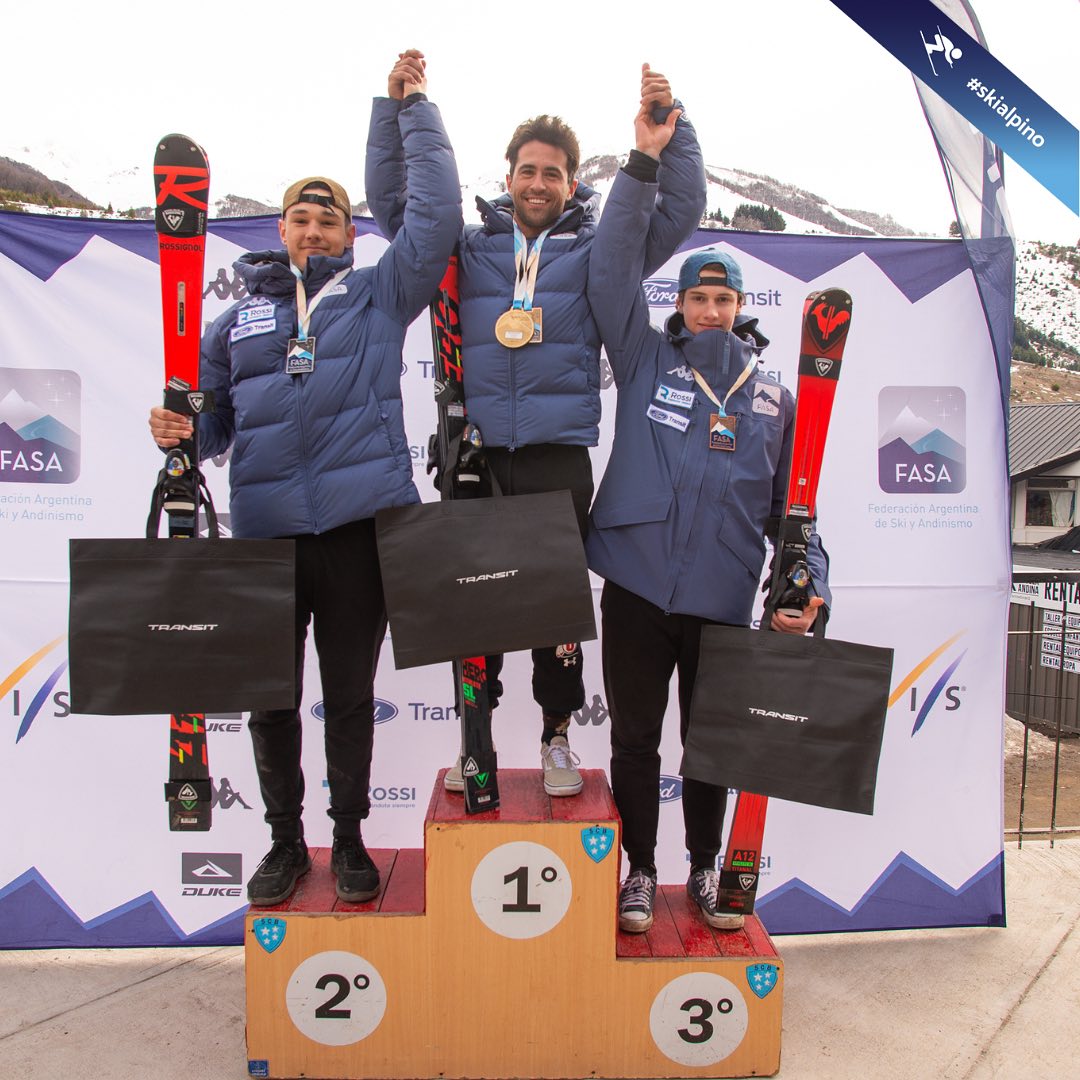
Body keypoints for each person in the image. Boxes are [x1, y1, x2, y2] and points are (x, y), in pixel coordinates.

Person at [148, 50, 462, 906]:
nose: (314, 232)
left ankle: (352, 840)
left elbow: (435, 224)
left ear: (350, 236)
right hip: (266, 535)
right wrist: (182, 429)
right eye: (301, 220)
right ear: (280, 231)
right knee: (270, 697)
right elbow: (214, 421)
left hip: (360, 531)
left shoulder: (376, 296)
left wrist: (406, 112)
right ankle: (286, 842)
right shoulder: (233, 317)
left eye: (329, 222)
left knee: (350, 696)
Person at [366, 65, 706, 797]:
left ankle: (556, 737)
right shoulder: (468, 249)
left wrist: (668, 128)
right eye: (528, 170)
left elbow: (677, 212)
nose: (538, 183)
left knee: (555, 617)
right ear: (510, 175)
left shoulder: (596, 251)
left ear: (572, 182)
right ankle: (474, 739)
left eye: (554, 173)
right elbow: (397, 208)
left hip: (556, 457)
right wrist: (398, 114)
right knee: (471, 613)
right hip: (474, 455)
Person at [585, 103, 830, 933]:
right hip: (637, 590)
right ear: (680, 306)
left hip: (723, 600)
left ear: (739, 307)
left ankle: (702, 866)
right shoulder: (646, 358)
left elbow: (792, 513)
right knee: (634, 742)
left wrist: (806, 582)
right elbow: (610, 273)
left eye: (724, 298)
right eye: (699, 296)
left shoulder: (774, 399)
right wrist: (647, 163)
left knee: (709, 748)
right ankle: (641, 870)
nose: (712, 310)